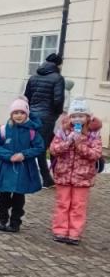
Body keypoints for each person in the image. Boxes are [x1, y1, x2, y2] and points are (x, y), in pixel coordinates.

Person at [49, 97, 104, 245]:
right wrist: (68, 142)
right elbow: (54, 149)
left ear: (88, 117)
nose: (77, 119)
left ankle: (74, 233)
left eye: (81, 116)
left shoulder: (93, 134)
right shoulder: (63, 131)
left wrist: (80, 145)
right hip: (64, 175)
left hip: (83, 177)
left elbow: (96, 154)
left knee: (78, 206)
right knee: (63, 204)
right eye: (74, 116)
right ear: (70, 117)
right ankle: (60, 231)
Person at [0, 96, 44, 233]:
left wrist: (24, 154)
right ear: (11, 114)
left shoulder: (32, 132)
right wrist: (8, 156)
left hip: (23, 170)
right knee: (4, 196)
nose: (19, 116)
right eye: (16, 112)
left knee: (19, 197)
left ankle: (15, 222)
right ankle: (2, 219)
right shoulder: (4, 130)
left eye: (22, 113)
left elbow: (39, 147)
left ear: (27, 114)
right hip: (7, 168)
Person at [23, 52, 65, 187]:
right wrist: (56, 113)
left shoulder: (33, 77)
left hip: (33, 115)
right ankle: (46, 178)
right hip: (47, 117)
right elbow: (58, 100)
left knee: (54, 144)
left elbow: (26, 97)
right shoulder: (58, 78)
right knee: (41, 147)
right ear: (58, 64)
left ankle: (57, 174)